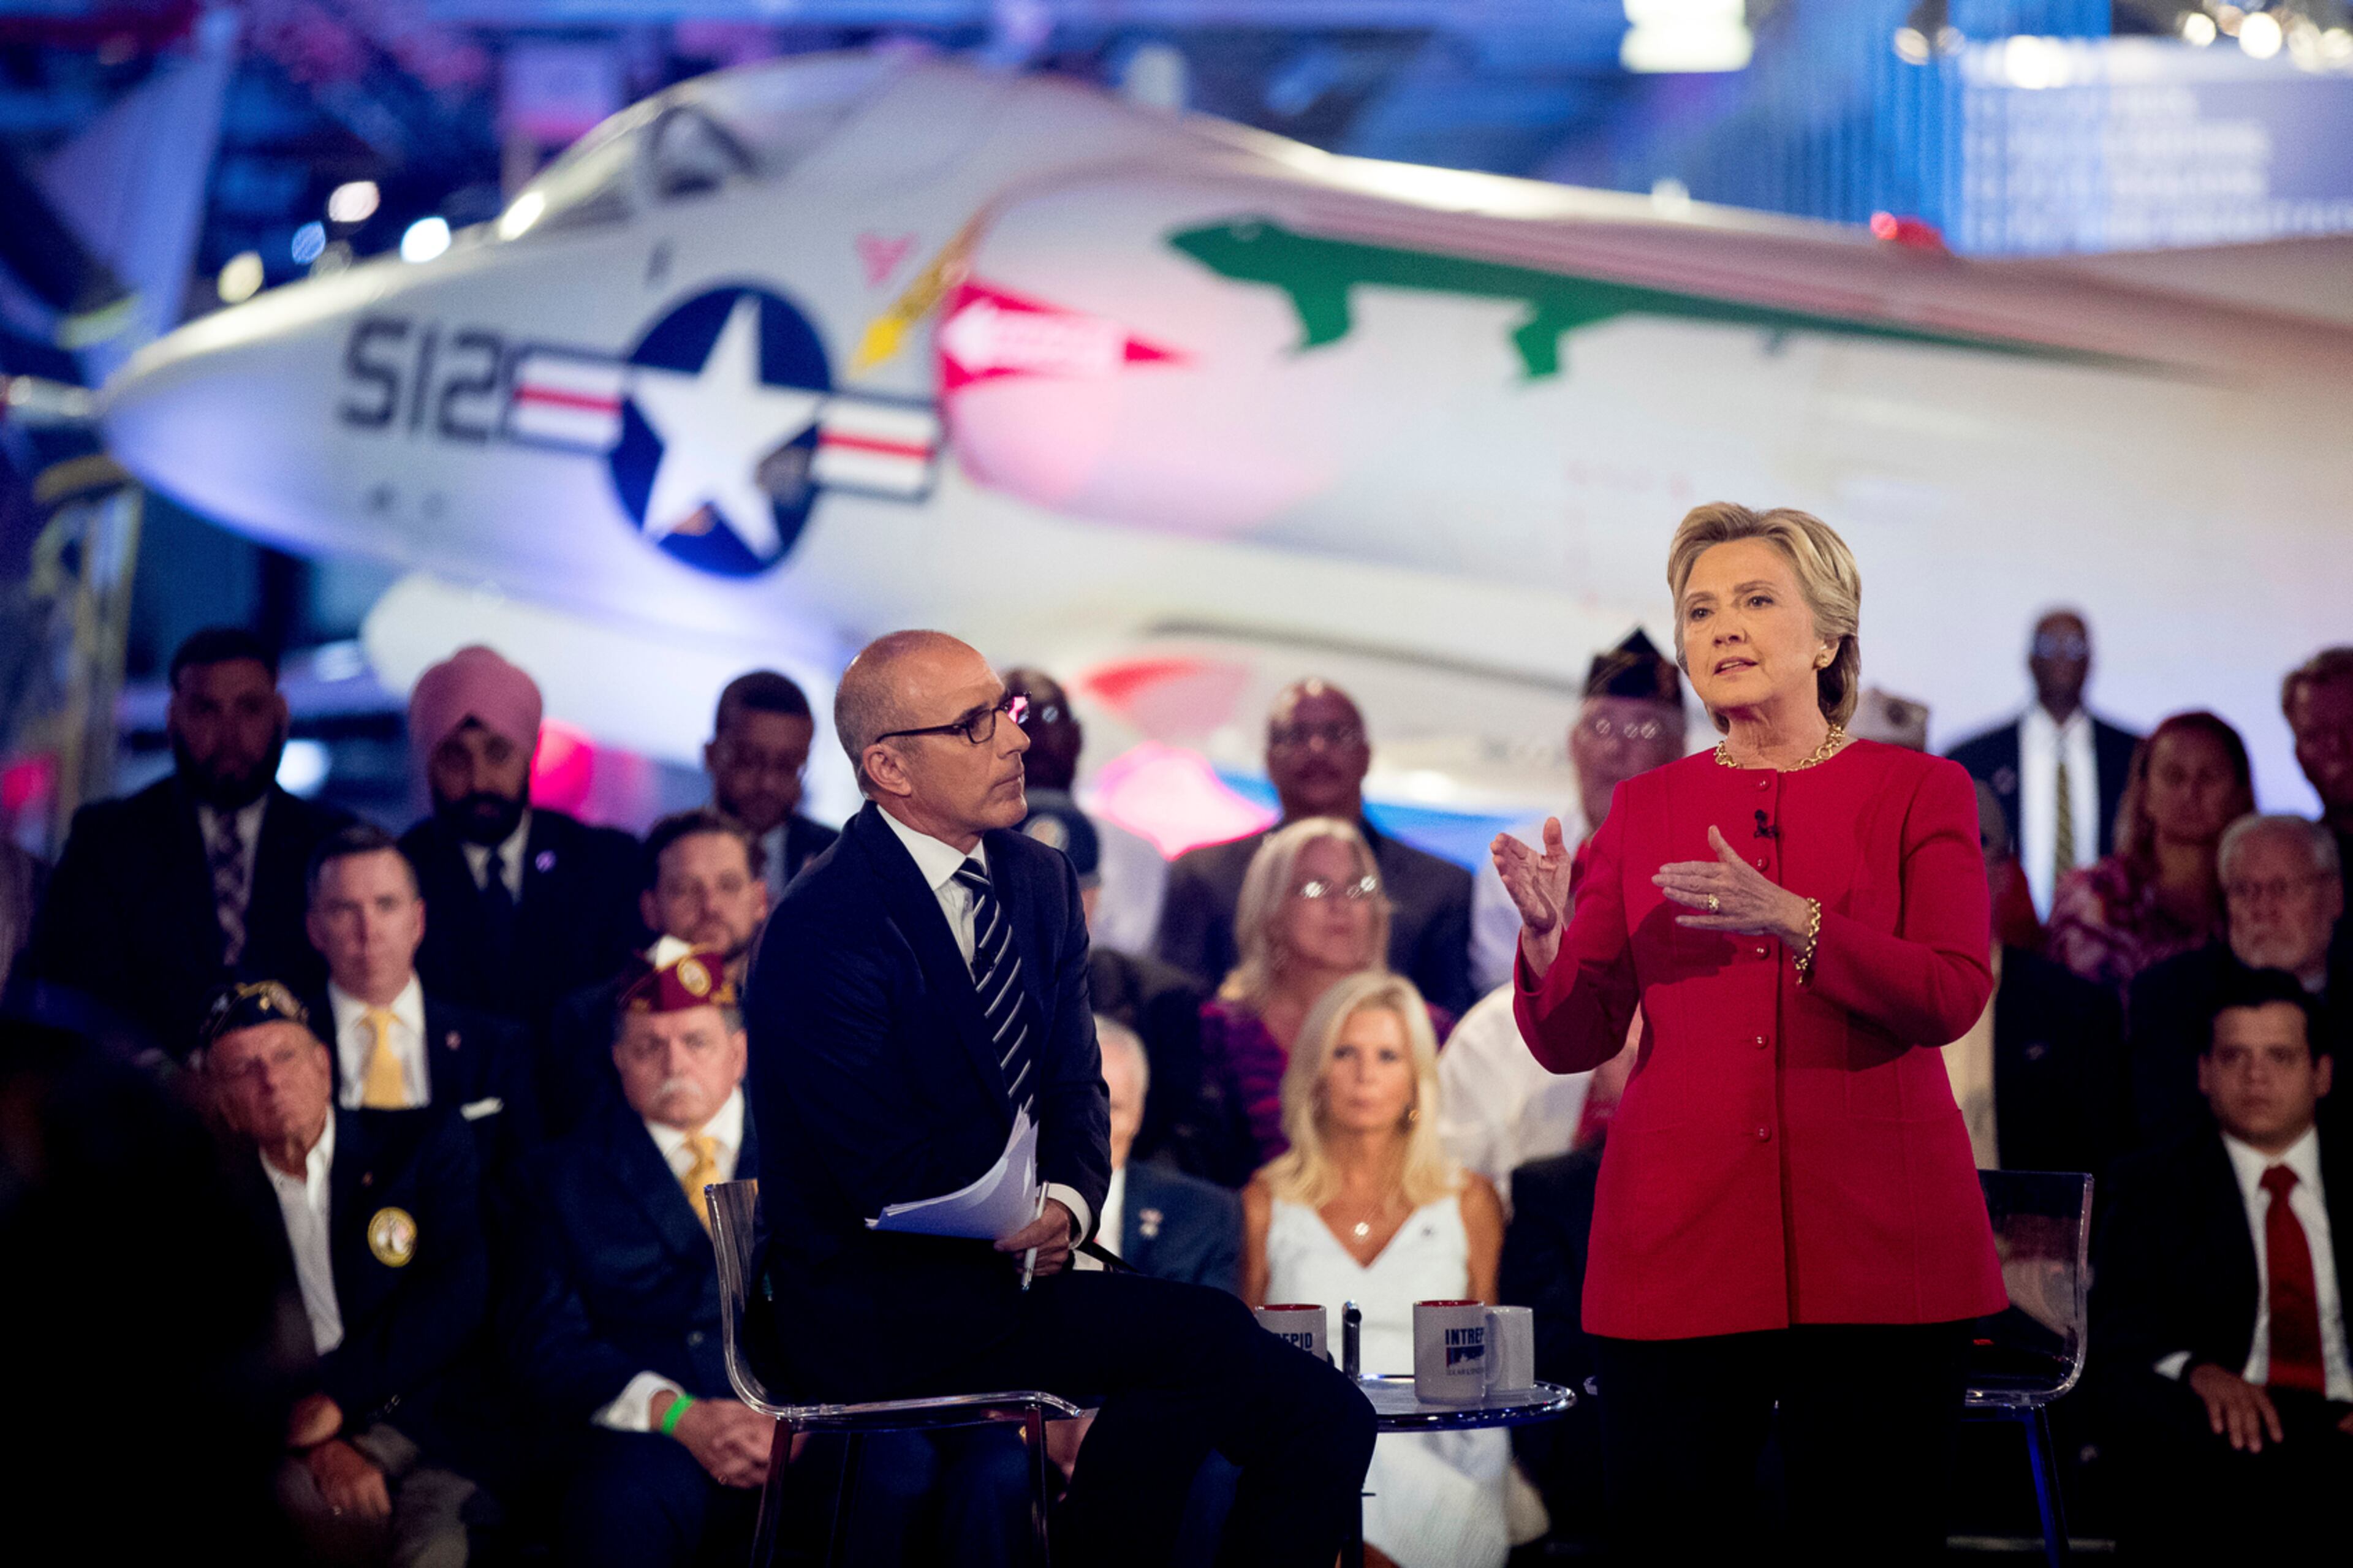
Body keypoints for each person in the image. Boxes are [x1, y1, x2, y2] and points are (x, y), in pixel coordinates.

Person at [746, 630, 1374, 1568]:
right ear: (889, 767)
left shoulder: (1038, 879)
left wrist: (1070, 1203)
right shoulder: (822, 922)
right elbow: (876, 1164)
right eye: (975, 724)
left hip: (1009, 1280)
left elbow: (1079, 1084)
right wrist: (1016, 1216)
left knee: (1319, 1409)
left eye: (1002, 709)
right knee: (1213, 1346)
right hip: (873, 1308)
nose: (1015, 738)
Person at [1494, 502, 2005, 1564]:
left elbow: (1953, 990)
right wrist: (1545, 940)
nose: (1723, 625)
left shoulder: (1921, 789)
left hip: (1881, 1250)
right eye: (1700, 609)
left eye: (1756, 600)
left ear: (1829, 635)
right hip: (1678, 1248)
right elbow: (1577, 1033)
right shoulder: (1644, 808)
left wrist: (1797, 919)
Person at [202, 982, 490, 1568]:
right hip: (294, 1441)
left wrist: (338, 1396)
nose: (271, 1080)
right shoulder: (211, 1200)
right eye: (244, 1069)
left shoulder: (420, 1145)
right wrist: (319, 1444)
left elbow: (456, 1297)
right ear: (222, 1102)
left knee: (432, 1552)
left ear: (323, 1065)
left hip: (429, 1423)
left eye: (284, 1055)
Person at [1242, 971, 1518, 1568]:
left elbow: (1495, 1360)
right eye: (1346, 1053)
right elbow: (1245, 1356)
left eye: (1388, 1056)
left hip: (1442, 1443)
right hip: (1309, 1439)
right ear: (1316, 1071)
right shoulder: (1266, 1201)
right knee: (1325, 1458)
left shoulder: (1468, 1200)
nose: (1365, 1074)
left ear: (1416, 1077)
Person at [2091, 967, 2352, 1560]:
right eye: (2235, 1056)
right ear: (2204, 1073)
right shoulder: (2151, 1187)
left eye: (2280, 1056)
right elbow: (2116, 1329)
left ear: (2322, 1073)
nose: (2256, 1075)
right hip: (2223, 1438)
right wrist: (2195, 1368)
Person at [28, 627, 354, 1052]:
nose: (230, 734)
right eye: (205, 710)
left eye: (250, 708)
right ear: (172, 719)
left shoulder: (335, 845)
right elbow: (77, 993)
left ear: (281, 715)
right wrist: (163, 1074)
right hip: (144, 1089)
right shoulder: (108, 842)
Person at [1157, 679, 1472, 1013]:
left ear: (1366, 756)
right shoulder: (1204, 876)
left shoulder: (1441, 887)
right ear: (1268, 760)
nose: (1316, 749)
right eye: (1295, 736)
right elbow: (1178, 1014)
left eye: (1337, 734)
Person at [1188, 817, 1455, 1187]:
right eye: (1315, 888)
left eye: (1359, 888)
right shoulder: (1218, 1031)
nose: (1341, 904)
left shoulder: (1427, 1030)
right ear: (1270, 911)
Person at [398, 646, 644, 1037]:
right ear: (430, 764)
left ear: (529, 753)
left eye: (498, 754)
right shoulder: (400, 873)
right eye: (455, 758)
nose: (478, 780)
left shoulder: (606, 863)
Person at [304, 825, 539, 1180]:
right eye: (344, 910)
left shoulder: (496, 1048)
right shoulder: (286, 1049)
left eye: (386, 905)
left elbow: (525, 1184)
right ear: (315, 929)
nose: (369, 931)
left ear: (418, 921)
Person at [1473, 632, 1686, 994]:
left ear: (1678, 750)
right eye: (1600, 725)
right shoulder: (1518, 859)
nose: (1614, 748)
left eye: (1642, 729)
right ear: (1573, 742)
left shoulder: (1699, 864)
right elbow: (1497, 998)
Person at [2126, 814, 2347, 1151]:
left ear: (2334, 896)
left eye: (2283, 888)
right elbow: (2169, 1138)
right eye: (2244, 890)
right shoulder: (2169, 998)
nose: (2264, 909)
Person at [543, 809, 769, 1134]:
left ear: (760, 900)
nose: (710, 906)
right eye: (685, 889)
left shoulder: (799, 1014)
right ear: (650, 908)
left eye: (728, 885)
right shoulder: (587, 1019)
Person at [1497, 1036, 1638, 1554]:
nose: (1647, 1062)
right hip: (1596, 1453)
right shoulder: (1547, 1190)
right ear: (1599, 1069)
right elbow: (1541, 1351)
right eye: (1628, 1051)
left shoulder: (1763, 1184)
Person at [1960, 792, 2127, 1176]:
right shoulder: (1872, 1005)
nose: (1950, 865)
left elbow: (2102, 1173)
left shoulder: (2076, 1013)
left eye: (1973, 844)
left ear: (2005, 873)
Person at [1949, 610, 2142, 922]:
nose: (2063, 655)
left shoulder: (2134, 755)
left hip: (2112, 941)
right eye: (2049, 645)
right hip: (2001, 939)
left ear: (2091, 660)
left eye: (2075, 645)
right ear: (2029, 659)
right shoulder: (1974, 759)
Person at [2046, 711, 2255, 994]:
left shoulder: (2259, 896)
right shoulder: (2095, 896)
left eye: (2209, 777)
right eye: (2174, 776)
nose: (2190, 792)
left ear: (2240, 792)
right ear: (2144, 792)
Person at [1006, 665, 1168, 957]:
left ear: (1077, 737)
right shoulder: (953, 848)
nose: (1034, 741)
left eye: (1049, 721)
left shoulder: (1140, 855)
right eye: (1020, 725)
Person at [1097, 1017, 1239, 1292]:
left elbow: (1215, 1316)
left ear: (1138, 1115)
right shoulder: (1011, 1215)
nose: (1094, 1126)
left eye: (1113, 1108)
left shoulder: (1202, 1213)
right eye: (1081, 1106)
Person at [703, 670, 837, 903]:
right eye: (749, 760)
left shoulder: (839, 859)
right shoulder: (669, 854)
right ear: (711, 755)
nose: (768, 783)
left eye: (787, 766)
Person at [2285, 648, 2353, 972]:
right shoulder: (2292, 865)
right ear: (2298, 753)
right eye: (2315, 735)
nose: (2337, 747)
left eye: (2352, 726)